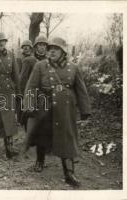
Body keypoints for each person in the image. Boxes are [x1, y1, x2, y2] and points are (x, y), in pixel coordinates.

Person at [23, 37, 91, 187]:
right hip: (44, 106)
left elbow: (81, 90)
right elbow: (31, 87)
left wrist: (85, 109)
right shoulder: (40, 66)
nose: (52, 51)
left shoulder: (73, 68)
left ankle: (69, 172)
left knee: (67, 138)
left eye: (56, 49)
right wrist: (29, 104)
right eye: (50, 49)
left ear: (63, 52)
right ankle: (40, 161)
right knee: (42, 134)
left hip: (66, 109)